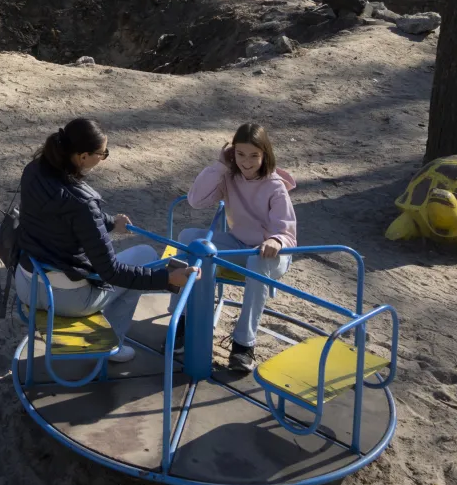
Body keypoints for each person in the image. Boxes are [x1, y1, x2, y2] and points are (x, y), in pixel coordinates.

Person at [15, 118, 198, 362]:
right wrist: (166, 279)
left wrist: (110, 222)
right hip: (65, 298)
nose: (103, 158)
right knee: (145, 256)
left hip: (27, 283)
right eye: (102, 154)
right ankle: (111, 346)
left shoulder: (35, 170)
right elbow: (111, 271)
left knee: (135, 263)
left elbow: (62, 217)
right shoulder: (82, 203)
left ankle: (108, 339)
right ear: (82, 157)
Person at [170, 122, 296, 373]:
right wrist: (219, 166)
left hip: (270, 253)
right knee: (188, 238)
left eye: (254, 156)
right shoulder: (229, 174)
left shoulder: (275, 186)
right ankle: (181, 319)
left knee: (256, 262)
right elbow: (196, 201)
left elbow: (287, 232)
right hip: (239, 245)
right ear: (232, 153)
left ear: (265, 155)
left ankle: (243, 344)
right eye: (240, 154)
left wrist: (275, 241)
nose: (246, 162)